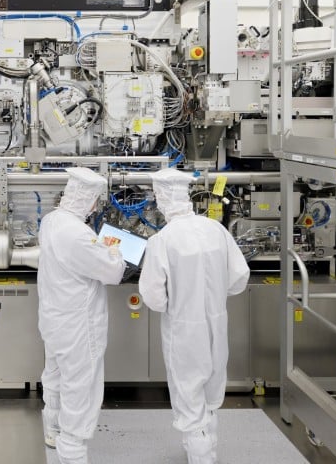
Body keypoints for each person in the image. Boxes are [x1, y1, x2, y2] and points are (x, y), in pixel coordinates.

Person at [139, 169, 250, 464]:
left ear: (162, 198)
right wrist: (211, 299)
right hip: (217, 321)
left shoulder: (162, 240)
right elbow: (240, 277)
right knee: (211, 391)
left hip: (184, 329)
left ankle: (201, 454)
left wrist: (177, 302)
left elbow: (152, 297)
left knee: (188, 396)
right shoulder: (215, 229)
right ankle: (207, 447)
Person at [38, 166, 125, 464]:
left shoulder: (51, 221)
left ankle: (52, 430)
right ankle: (72, 451)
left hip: (53, 319)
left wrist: (98, 247)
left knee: (55, 376)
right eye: (94, 201)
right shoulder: (76, 233)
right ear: (86, 199)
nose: (95, 207)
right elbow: (112, 272)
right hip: (78, 325)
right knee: (80, 386)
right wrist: (114, 251)